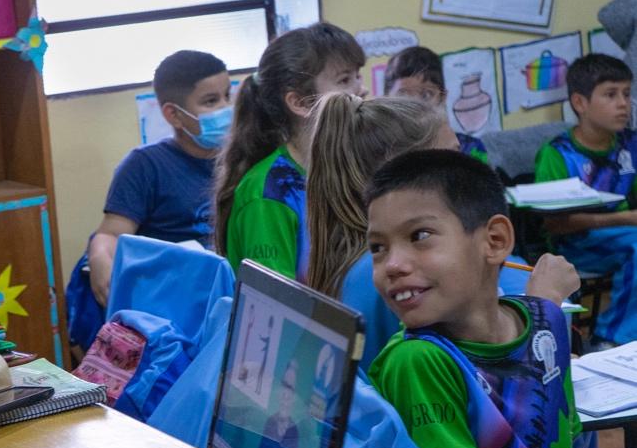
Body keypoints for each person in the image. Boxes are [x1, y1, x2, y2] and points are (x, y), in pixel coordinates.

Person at [365, 149, 637, 448]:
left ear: (494, 241)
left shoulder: (544, 326)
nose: (392, 264)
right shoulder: (420, 361)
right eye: (378, 247)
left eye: (420, 236)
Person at [303, 93, 577, 370]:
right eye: (453, 157)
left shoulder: (365, 265)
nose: (465, 168)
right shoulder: (386, 279)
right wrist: (545, 305)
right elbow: (495, 387)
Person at [66, 50, 231, 350]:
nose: (225, 108)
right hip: (171, 306)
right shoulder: (146, 165)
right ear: (174, 115)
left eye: (227, 96)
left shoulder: (242, 160)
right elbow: (111, 233)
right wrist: (101, 257)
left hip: (223, 300)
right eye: (210, 101)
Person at [212, 22, 364, 283]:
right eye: (344, 80)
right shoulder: (268, 194)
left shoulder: (350, 165)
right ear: (300, 103)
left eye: (358, 76)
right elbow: (275, 309)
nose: (361, 89)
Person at [534, 52, 637, 346]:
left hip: (625, 235)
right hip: (576, 245)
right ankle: (611, 338)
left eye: (626, 93)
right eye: (610, 94)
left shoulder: (632, 144)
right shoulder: (558, 153)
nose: (623, 103)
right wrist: (625, 218)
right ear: (580, 103)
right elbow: (555, 225)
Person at [382, 45, 489, 162]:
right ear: (387, 99)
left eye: (426, 95)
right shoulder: (379, 150)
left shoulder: (471, 148)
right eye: (403, 95)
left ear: (442, 98)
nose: (415, 105)